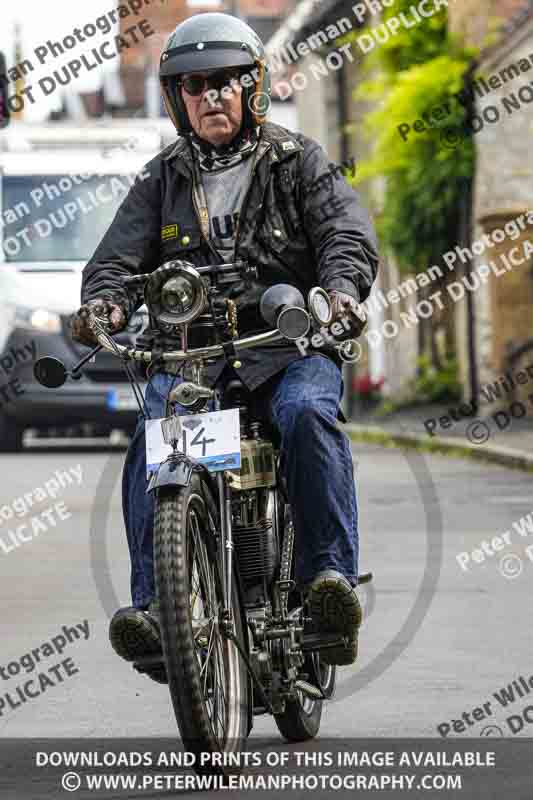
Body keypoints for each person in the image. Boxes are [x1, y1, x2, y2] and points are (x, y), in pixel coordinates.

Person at [71, 13, 379, 674]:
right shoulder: (161, 178)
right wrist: (105, 304)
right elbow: (114, 262)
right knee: (155, 438)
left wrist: (339, 292)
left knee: (307, 414)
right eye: (195, 84)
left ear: (254, 87)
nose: (211, 95)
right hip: (193, 359)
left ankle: (328, 585)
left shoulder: (299, 161)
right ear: (177, 98)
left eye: (226, 81)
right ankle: (156, 611)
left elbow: (345, 235)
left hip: (288, 349)